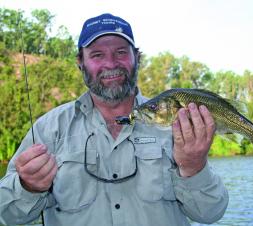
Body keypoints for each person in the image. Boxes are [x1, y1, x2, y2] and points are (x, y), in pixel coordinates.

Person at [0, 13, 228, 226]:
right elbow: (8, 215)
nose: (110, 64)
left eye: (120, 52)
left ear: (137, 58)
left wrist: (193, 167)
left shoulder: (179, 124)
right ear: (80, 62)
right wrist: (27, 187)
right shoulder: (48, 129)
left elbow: (210, 213)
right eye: (97, 55)